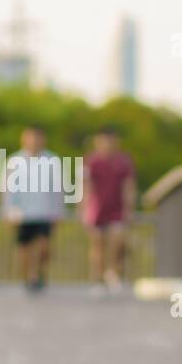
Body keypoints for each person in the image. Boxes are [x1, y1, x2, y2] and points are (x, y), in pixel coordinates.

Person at [0, 125, 65, 292]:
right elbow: (7, 189)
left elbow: (58, 189)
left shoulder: (53, 160)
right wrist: (7, 212)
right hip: (22, 213)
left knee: (44, 247)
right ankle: (28, 277)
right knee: (25, 248)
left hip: (44, 212)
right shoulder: (14, 161)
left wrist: (59, 212)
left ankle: (39, 274)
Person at [80, 125, 137, 296]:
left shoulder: (124, 162)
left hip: (117, 210)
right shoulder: (90, 161)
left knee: (117, 241)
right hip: (96, 210)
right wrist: (83, 209)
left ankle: (113, 272)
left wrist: (129, 208)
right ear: (97, 142)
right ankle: (98, 279)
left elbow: (129, 186)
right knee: (97, 245)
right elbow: (85, 186)